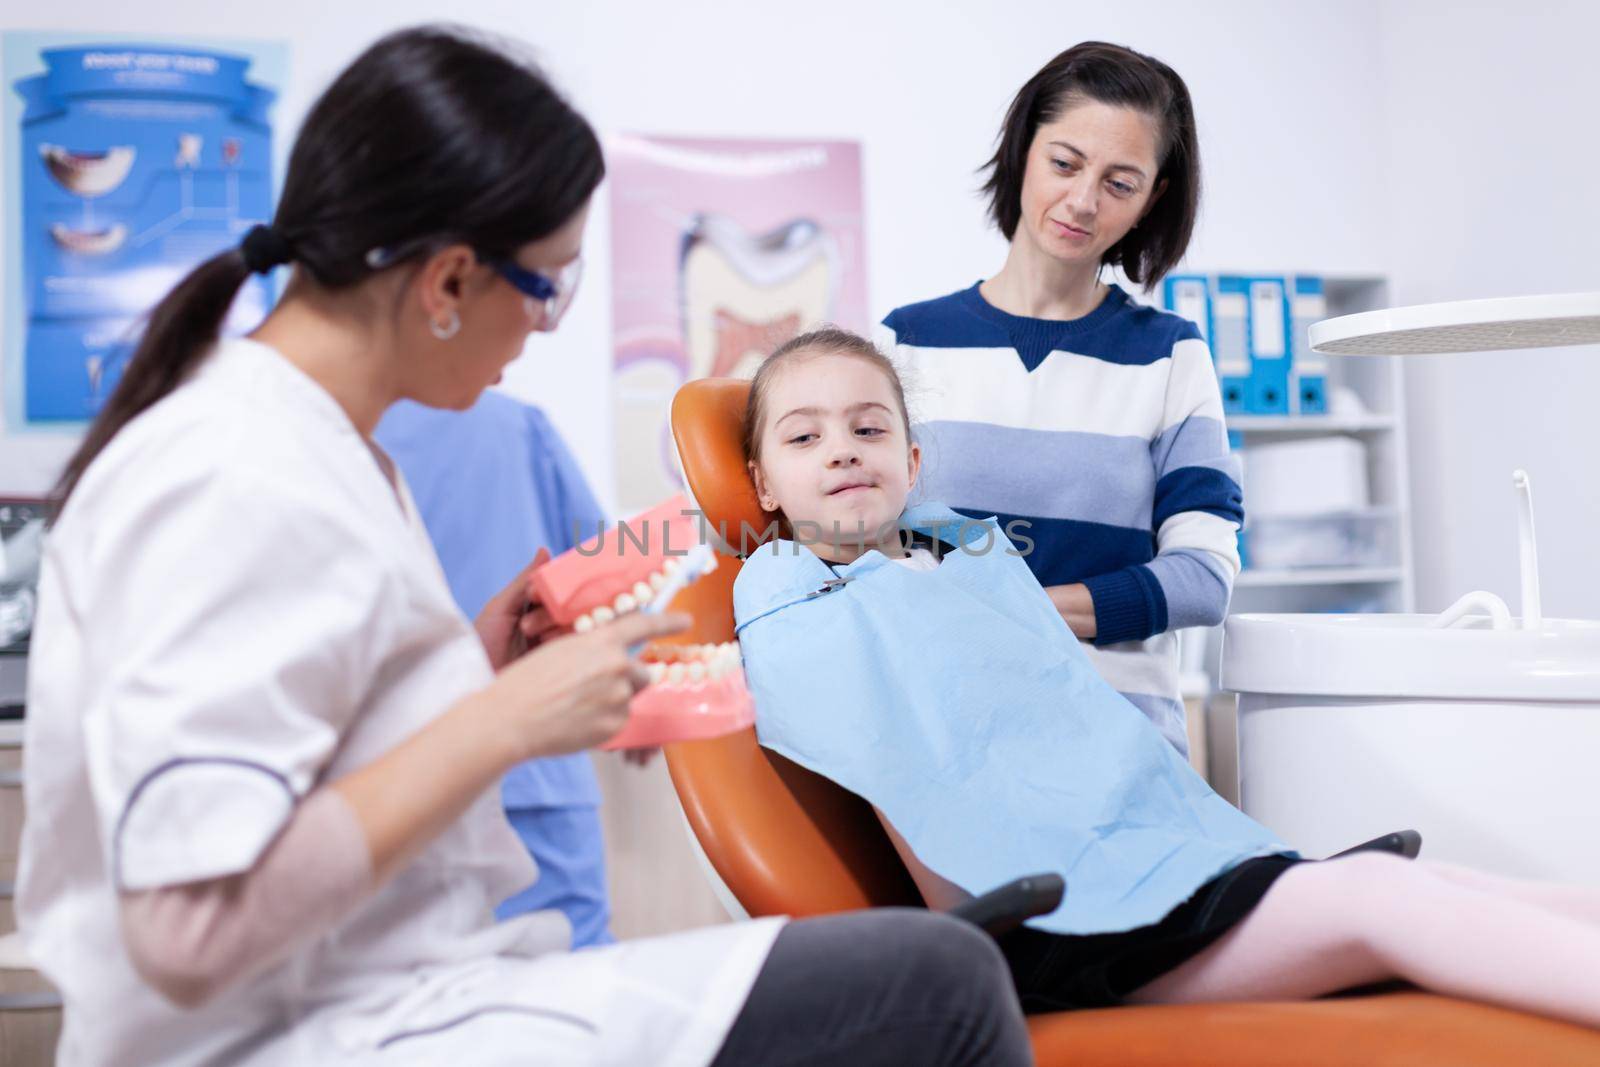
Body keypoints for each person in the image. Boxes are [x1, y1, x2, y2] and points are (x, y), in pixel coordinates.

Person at [15, 26, 1030, 1067]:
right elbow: (190, 927)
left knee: (937, 966)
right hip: (300, 1030)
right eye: (545, 284)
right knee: (937, 984)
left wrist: (468, 667)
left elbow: (301, 733)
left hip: (397, 989)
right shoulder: (232, 471)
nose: (545, 326)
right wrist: (498, 720)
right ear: (448, 283)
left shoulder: (327, 452)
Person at [733, 327, 1600, 1028]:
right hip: (1060, 925)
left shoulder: (960, 556)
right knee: (1379, 895)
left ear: (916, 464)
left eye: (870, 428)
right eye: (805, 436)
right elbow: (897, 762)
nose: (842, 450)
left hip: (1155, 862)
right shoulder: (793, 593)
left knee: (1444, 881)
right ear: (762, 481)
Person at [880, 42, 1234, 756]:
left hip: (1117, 744)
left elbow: (1203, 578)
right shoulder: (906, 342)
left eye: (1120, 182)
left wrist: (1015, 608)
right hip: (942, 737)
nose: (1081, 201)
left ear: (1151, 199)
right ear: (1023, 150)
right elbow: (861, 541)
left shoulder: (1170, 356)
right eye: (1065, 163)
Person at [375, 392, 618, 946]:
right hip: (537, 762)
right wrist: (635, 680)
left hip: (398, 779)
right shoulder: (514, 425)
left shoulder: (335, 444)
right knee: (570, 975)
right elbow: (606, 567)